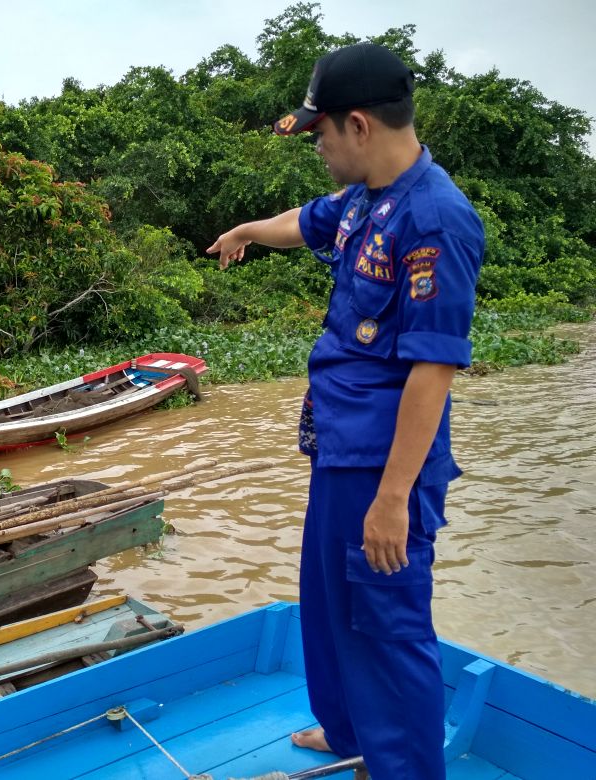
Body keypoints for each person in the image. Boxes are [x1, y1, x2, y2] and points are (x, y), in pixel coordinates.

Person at [207, 43, 484, 779]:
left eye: (321, 134)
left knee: (388, 628)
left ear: (357, 125)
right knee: (328, 604)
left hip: (384, 463)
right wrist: (245, 232)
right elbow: (309, 221)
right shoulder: (369, 196)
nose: (320, 148)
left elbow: (434, 367)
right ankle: (350, 730)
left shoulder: (434, 219)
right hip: (338, 444)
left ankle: (404, 768)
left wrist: (394, 498)